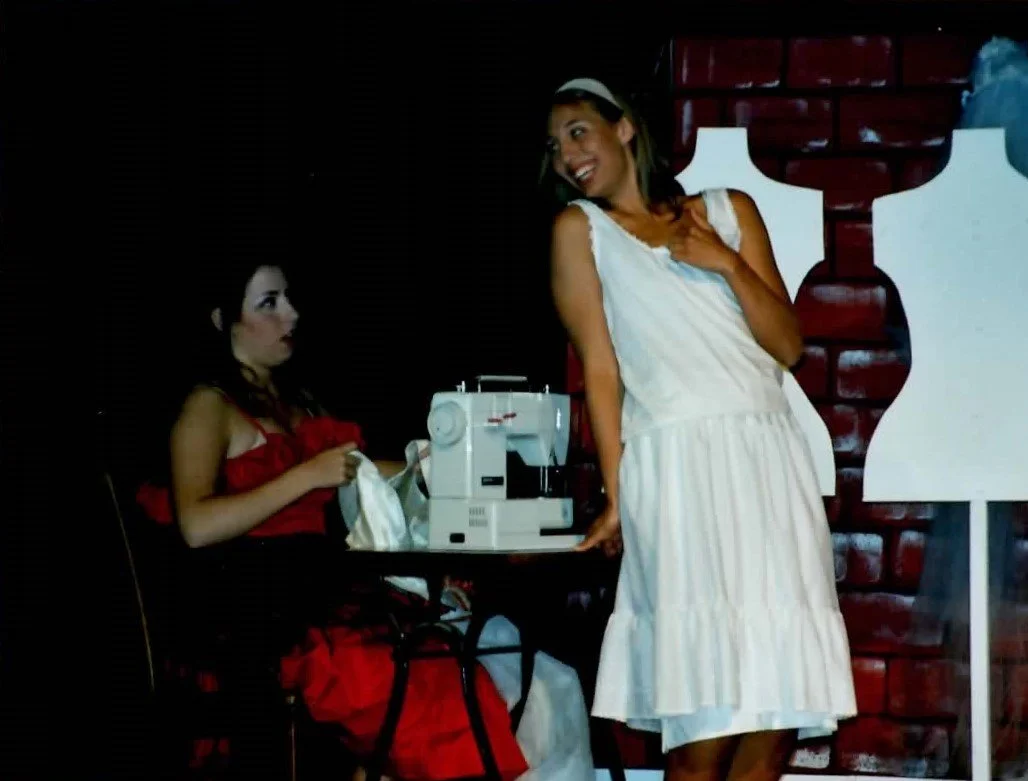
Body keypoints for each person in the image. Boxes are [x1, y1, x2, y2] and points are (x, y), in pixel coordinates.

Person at [542, 77, 857, 781]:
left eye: (577, 131)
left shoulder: (726, 211)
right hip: (677, 468)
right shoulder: (580, 232)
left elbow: (788, 346)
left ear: (624, 127)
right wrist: (619, 495)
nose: (566, 155)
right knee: (702, 722)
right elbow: (600, 371)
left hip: (766, 461)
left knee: (775, 709)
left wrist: (726, 261)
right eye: (555, 145)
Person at [136, 256, 529, 781]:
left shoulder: (299, 403)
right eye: (269, 303)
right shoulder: (209, 405)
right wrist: (305, 476)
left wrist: (431, 464)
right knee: (415, 682)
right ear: (222, 320)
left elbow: (360, 472)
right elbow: (196, 525)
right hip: (266, 616)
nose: (292, 315)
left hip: (325, 594)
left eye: (288, 298)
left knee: (460, 662)